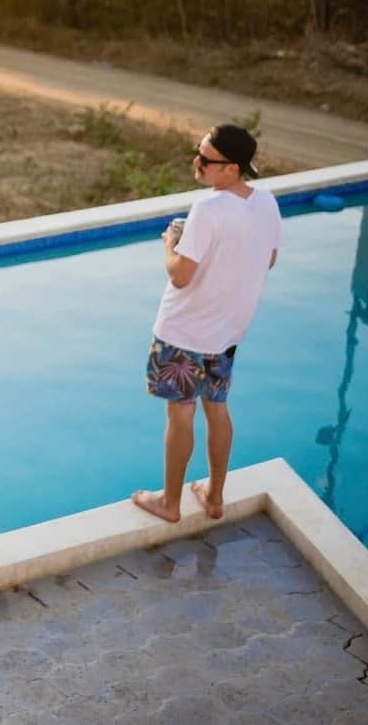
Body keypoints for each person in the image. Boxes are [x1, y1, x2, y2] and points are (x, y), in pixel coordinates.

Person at [132, 124, 281, 523]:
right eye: (197, 153)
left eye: (205, 159)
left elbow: (180, 275)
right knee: (217, 408)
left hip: (184, 332)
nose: (196, 163)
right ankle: (214, 496)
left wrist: (172, 243)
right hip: (227, 333)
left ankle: (170, 503)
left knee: (181, 414)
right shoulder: (266, 202)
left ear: (231, 168)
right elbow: (267, 259)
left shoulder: (208, 210)